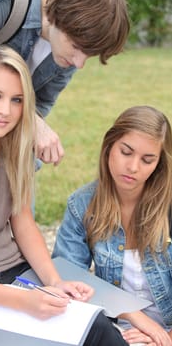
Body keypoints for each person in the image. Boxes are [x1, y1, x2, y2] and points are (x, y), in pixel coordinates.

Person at [0, 43, 129, 346]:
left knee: (100, 331)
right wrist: (21, 302)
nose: (6, 111)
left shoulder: (14, 145)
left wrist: (54, 282)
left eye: (17, 100)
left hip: (16, 273)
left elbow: (23, 223)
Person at [0, 0, 130, 166]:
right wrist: (28, 122)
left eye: (89, 55)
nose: (79, 63)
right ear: (57, 14)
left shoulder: (71, 52)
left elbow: (40, 105)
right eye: (75, 46)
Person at [52, 105, 172, 346]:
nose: (133, 167)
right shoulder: (82, 204)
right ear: (109, 147)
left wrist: (167, 337)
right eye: (126, 152)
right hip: (114, 330)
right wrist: (133, 315)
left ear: (159, 164)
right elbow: (66, 275)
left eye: (147, 160)